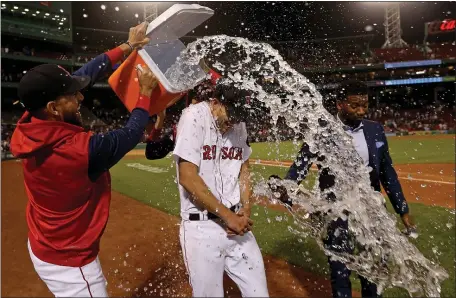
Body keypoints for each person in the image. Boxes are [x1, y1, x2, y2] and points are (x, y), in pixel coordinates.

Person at [10, 22, 157, 297]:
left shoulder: (31, 121)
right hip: (70, 263)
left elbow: (85, 74)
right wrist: (145, 94)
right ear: (53, 108)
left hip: (45, 243)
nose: (80, 97)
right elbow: (129, 134)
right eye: (72, 95)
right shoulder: (75, 152)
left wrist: (128, 47)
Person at [269, 80, 416, 298]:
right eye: (355, 105)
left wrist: (402, 210)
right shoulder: (321, 132)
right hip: (336, 210)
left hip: (371, 210)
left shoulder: (375, 130)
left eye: (365, 105)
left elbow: (387, 173)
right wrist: (287, 187)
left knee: (373, 268)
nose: (361, 110)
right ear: (340, 104)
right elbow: (300, 166)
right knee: (340, 270)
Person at [172, 81, 269, 297]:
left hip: (237, 225)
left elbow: (244, 167)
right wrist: (228, 217)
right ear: (215, 103)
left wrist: (246, 208)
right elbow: (187, 177)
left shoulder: (239, 124)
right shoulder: (193, 116)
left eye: (239, 116)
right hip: (202, 229)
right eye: (231, 114)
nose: (234, 121)